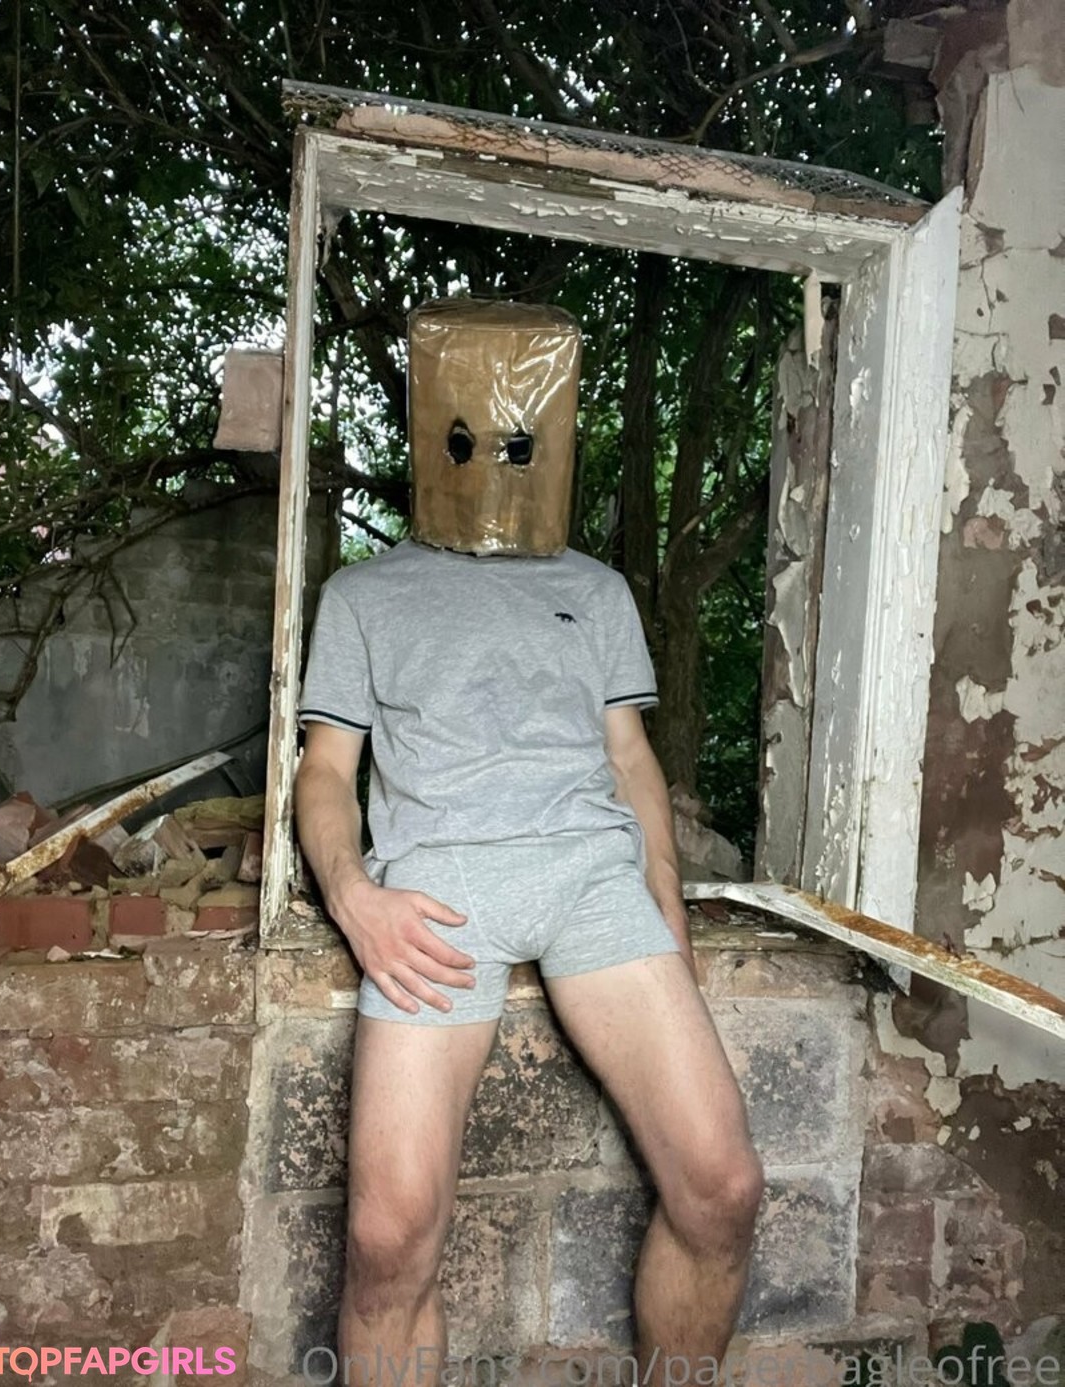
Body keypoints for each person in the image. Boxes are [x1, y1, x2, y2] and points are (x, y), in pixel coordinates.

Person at [293, 299, 764, 1387]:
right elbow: (325, 773)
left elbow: (632, 763)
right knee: (386, 1238)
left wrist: (669, 925)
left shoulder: (595, 591)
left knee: (723, 1190)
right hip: (436, 894)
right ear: (429, 431)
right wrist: (355, 898)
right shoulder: (362, 595)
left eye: (518, 440)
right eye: (468, 436)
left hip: (591, 882)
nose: (494, 457)